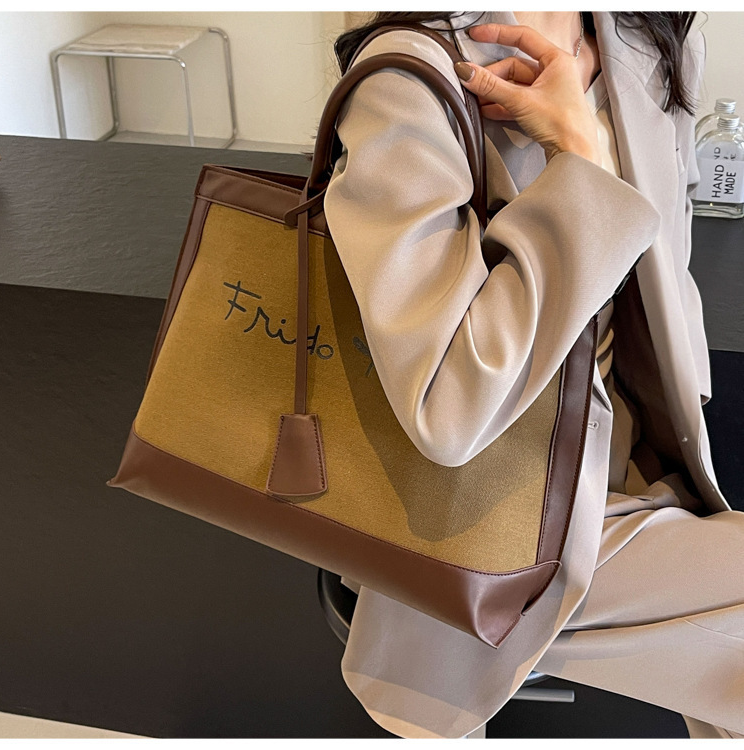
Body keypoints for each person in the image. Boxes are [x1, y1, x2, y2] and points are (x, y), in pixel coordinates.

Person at [322, 10, 744, 739]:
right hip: (477, 511)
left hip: (631, 477)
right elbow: (446, 406)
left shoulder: (653, 36)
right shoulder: (410, 71)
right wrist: (580, 162)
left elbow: (668, 265)